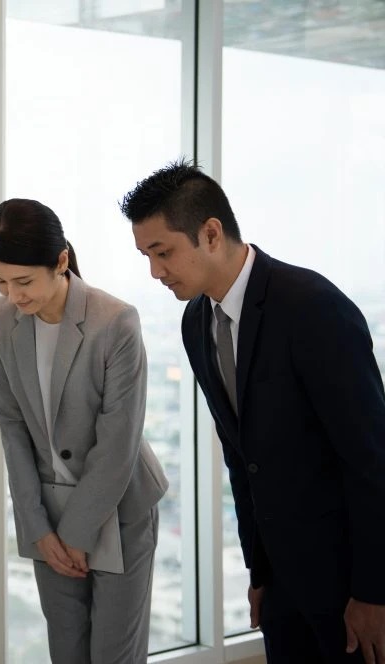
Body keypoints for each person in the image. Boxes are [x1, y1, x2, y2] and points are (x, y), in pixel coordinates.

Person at [121, 159, 385, 663]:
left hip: (349, 579)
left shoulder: (311, 307)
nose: (155, 271)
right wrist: (259, 572)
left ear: (212, 233)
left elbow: (371, 458)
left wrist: (375, 591)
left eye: (163, 252)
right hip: (281, 583)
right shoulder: (196, 322)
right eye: (146, 256)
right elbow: (242, 459)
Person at [0, 198, 168, 663]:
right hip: (47, 511)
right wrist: (38, 526)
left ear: (61, 261)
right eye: (0, 281)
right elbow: (11, 424)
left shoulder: (115, 321)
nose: (12, 295)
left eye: (23, 281)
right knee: (67, 651)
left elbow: (118, 442)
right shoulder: (0, 319)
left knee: (113, 655)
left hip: (119, 505)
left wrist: (76, 534)